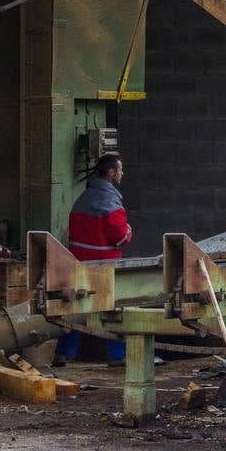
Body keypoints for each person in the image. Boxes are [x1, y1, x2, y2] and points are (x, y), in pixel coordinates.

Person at [54, 154, 132, 366]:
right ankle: (117, 356)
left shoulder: (83, 199)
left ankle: (63, 354)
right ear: (111, 173)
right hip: (103, 268)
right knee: (111, 310)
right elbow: (121, 237)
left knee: (76, 311)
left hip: (79, 266)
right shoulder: (110, 203)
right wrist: (129, 231)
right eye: (120, 170)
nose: (122, 174)